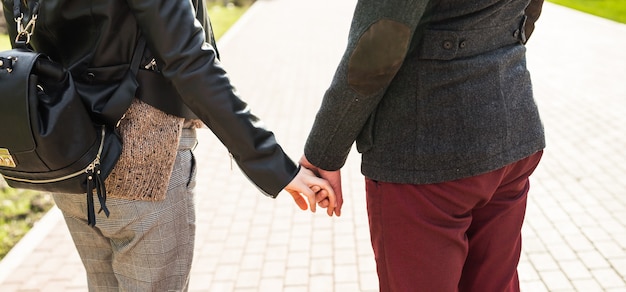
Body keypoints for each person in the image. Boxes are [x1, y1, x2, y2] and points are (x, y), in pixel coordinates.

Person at [2, 0, 335, 290]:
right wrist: (274, 166)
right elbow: (189, 62)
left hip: (69, 153)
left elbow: (27, 42)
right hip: (145, 160)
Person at [300, 0, 546, 291]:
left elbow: (378, 46)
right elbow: (529, 12)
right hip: (512, 126)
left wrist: (324, 153)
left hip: (426, 150)